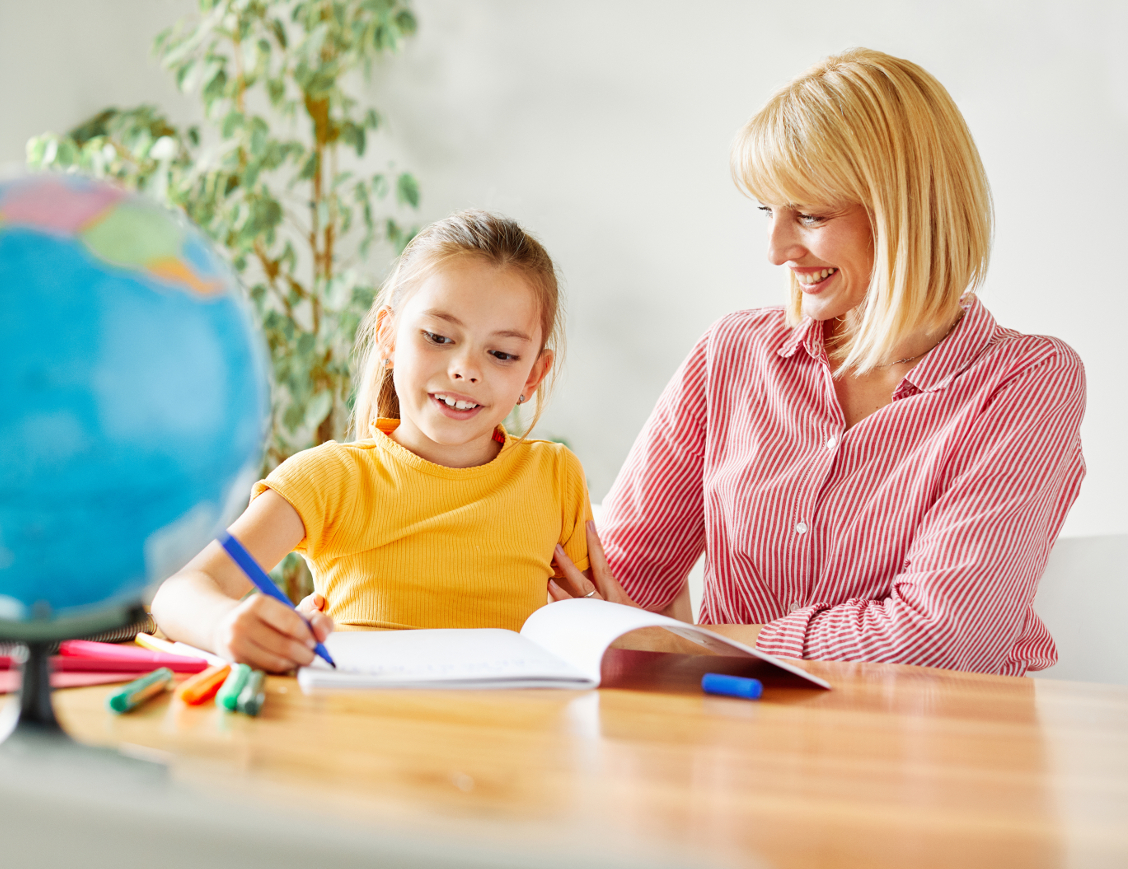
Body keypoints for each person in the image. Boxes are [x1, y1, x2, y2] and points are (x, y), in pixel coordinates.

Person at [551, 48, 1085, 676]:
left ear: (903, 213)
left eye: (809, 214)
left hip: (935, 750)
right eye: (767, 212)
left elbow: (939, 642)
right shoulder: (733, 356)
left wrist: (705, 646)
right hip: (740, 736)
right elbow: (614, 576)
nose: (777, 249)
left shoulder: (1025, 381)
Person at [151, 210, 592, 672]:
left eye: (501, 353)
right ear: (388, 337)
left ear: (534, 375)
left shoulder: (555, 477)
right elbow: (179, 592)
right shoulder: (330, 478)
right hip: (356, 734)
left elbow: (585, 632)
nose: (465, 368)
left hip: (507, 736)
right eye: (439, 337)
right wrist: (226, 626)